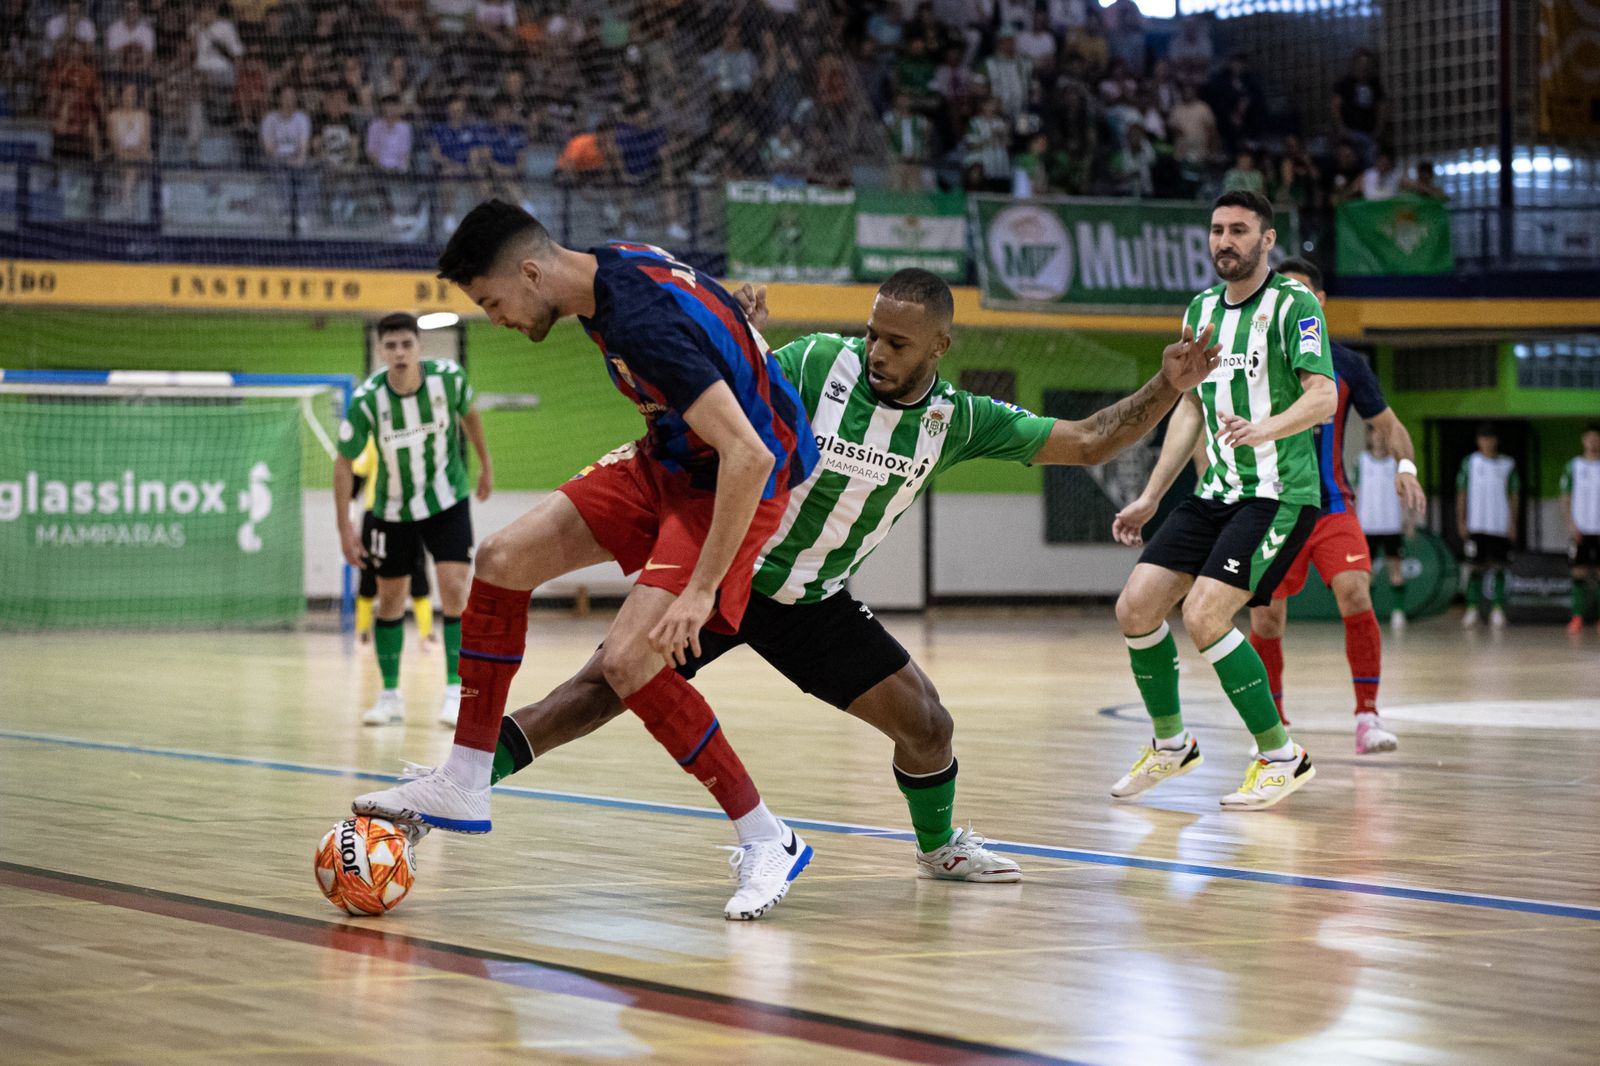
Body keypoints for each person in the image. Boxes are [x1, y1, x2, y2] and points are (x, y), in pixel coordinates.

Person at [415, 269, 1219, 887]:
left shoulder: (958, 421)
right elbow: (730, 395)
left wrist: (1168, 386)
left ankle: (938, 848)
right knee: (592, 693)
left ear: (940, 347)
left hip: (810, 603)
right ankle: (454, 787)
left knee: (929, 727)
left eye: (898, 343)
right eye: (873, 334)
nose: (877, 352)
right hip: (726, 575)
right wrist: (735, 331)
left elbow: (1087, 441)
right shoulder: (816, 363)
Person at [353, 202, 820, 922]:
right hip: (669, 460)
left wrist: (701, 590)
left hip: (732, 483)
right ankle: (466, 777)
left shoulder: (640, 323)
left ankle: (767, 836)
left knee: (629, 662)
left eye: (492, 302)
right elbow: (695, 304)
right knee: (502, 557)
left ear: (530, 272)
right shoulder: (612, 266)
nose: (496, 320)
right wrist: (736, 324)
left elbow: (750, 455)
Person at [1108, 190, 1337, 811]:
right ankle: (1171, 744)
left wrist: (1265, 429)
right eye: (1216, 230)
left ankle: (1282, 756)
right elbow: (1190, 406)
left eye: (1239, 230)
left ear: (1267, 240)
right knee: (1136, 608)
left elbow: (1324, 395)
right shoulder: (1201, 309)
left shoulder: (1294, 305)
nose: (1225, 241)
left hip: (1278, 494)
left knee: (1206, 615)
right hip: (1216, 492)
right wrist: (1151, 496)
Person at [1243, 257, 1426, 755]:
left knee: (1355, 593)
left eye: (1300, 292)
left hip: (1330, 506)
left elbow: (1390, 426)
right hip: (1271, 509)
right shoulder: (1253, 359)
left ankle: (1367, 717)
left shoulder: (1346, 364)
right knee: (1266, 619)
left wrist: (1406, 467)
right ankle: (1273, 730)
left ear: (1320, 302)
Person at [334, 313, 493, 727]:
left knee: (454, 589)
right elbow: (343, 462)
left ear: (419, 346)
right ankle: (389, 697)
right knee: (390, 600)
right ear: (380, 351)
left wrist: (485, 464)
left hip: (447, 500)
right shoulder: (367, 399)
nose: (400, 353)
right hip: (391, 510)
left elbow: (470, 416)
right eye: (391, 346)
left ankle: (454, 692)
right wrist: (344, 527)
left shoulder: (449, 379)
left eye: (407, 344)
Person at [350, 440, 437, 651]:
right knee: (369, 571)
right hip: (377, 513)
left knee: (418, 571)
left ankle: (427, 635)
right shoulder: (374, 438)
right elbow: (356, 478)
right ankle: (363, 633)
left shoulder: (419, 440)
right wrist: (350, 517)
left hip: (411, 513)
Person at [1457, 424, 1518, 629]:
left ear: (1496, 440)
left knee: (1500, 566)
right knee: (1474, 567)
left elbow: (1514, 494)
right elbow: (1462, 492)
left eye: (1490, 438)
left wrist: (1512, 522)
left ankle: (1498, 609)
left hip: (1499, 524)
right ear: (1478, 441)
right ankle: (1472, 609)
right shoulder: (1470, 463)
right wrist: (1461, 520)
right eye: (1483, 438)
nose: (1487, 442)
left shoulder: (1507, 464)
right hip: (1476, 524)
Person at [1355, 430, 1413, 632]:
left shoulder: (1396, 463)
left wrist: (1409, 520)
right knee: (1366, 572)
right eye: (1375, 433)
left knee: (1395, 570)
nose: (1378, 437)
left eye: (1382, 434)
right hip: (1367, 525)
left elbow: (1406, 494)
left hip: (1391, 525)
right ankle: (1367, 615)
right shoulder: (1361, 461)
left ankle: (1398, 612)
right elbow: (1356, 493)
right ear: (1369, 437)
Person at [1560, 425, 1600, 635]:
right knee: (1578, 572)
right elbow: (1565, 497)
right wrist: (1571, 524)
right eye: (1589, 438)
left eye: (1596, 438)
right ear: (1583, 440)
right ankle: (1577, 616)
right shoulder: (1573, 466)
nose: (1593, 442)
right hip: (1581, 529)